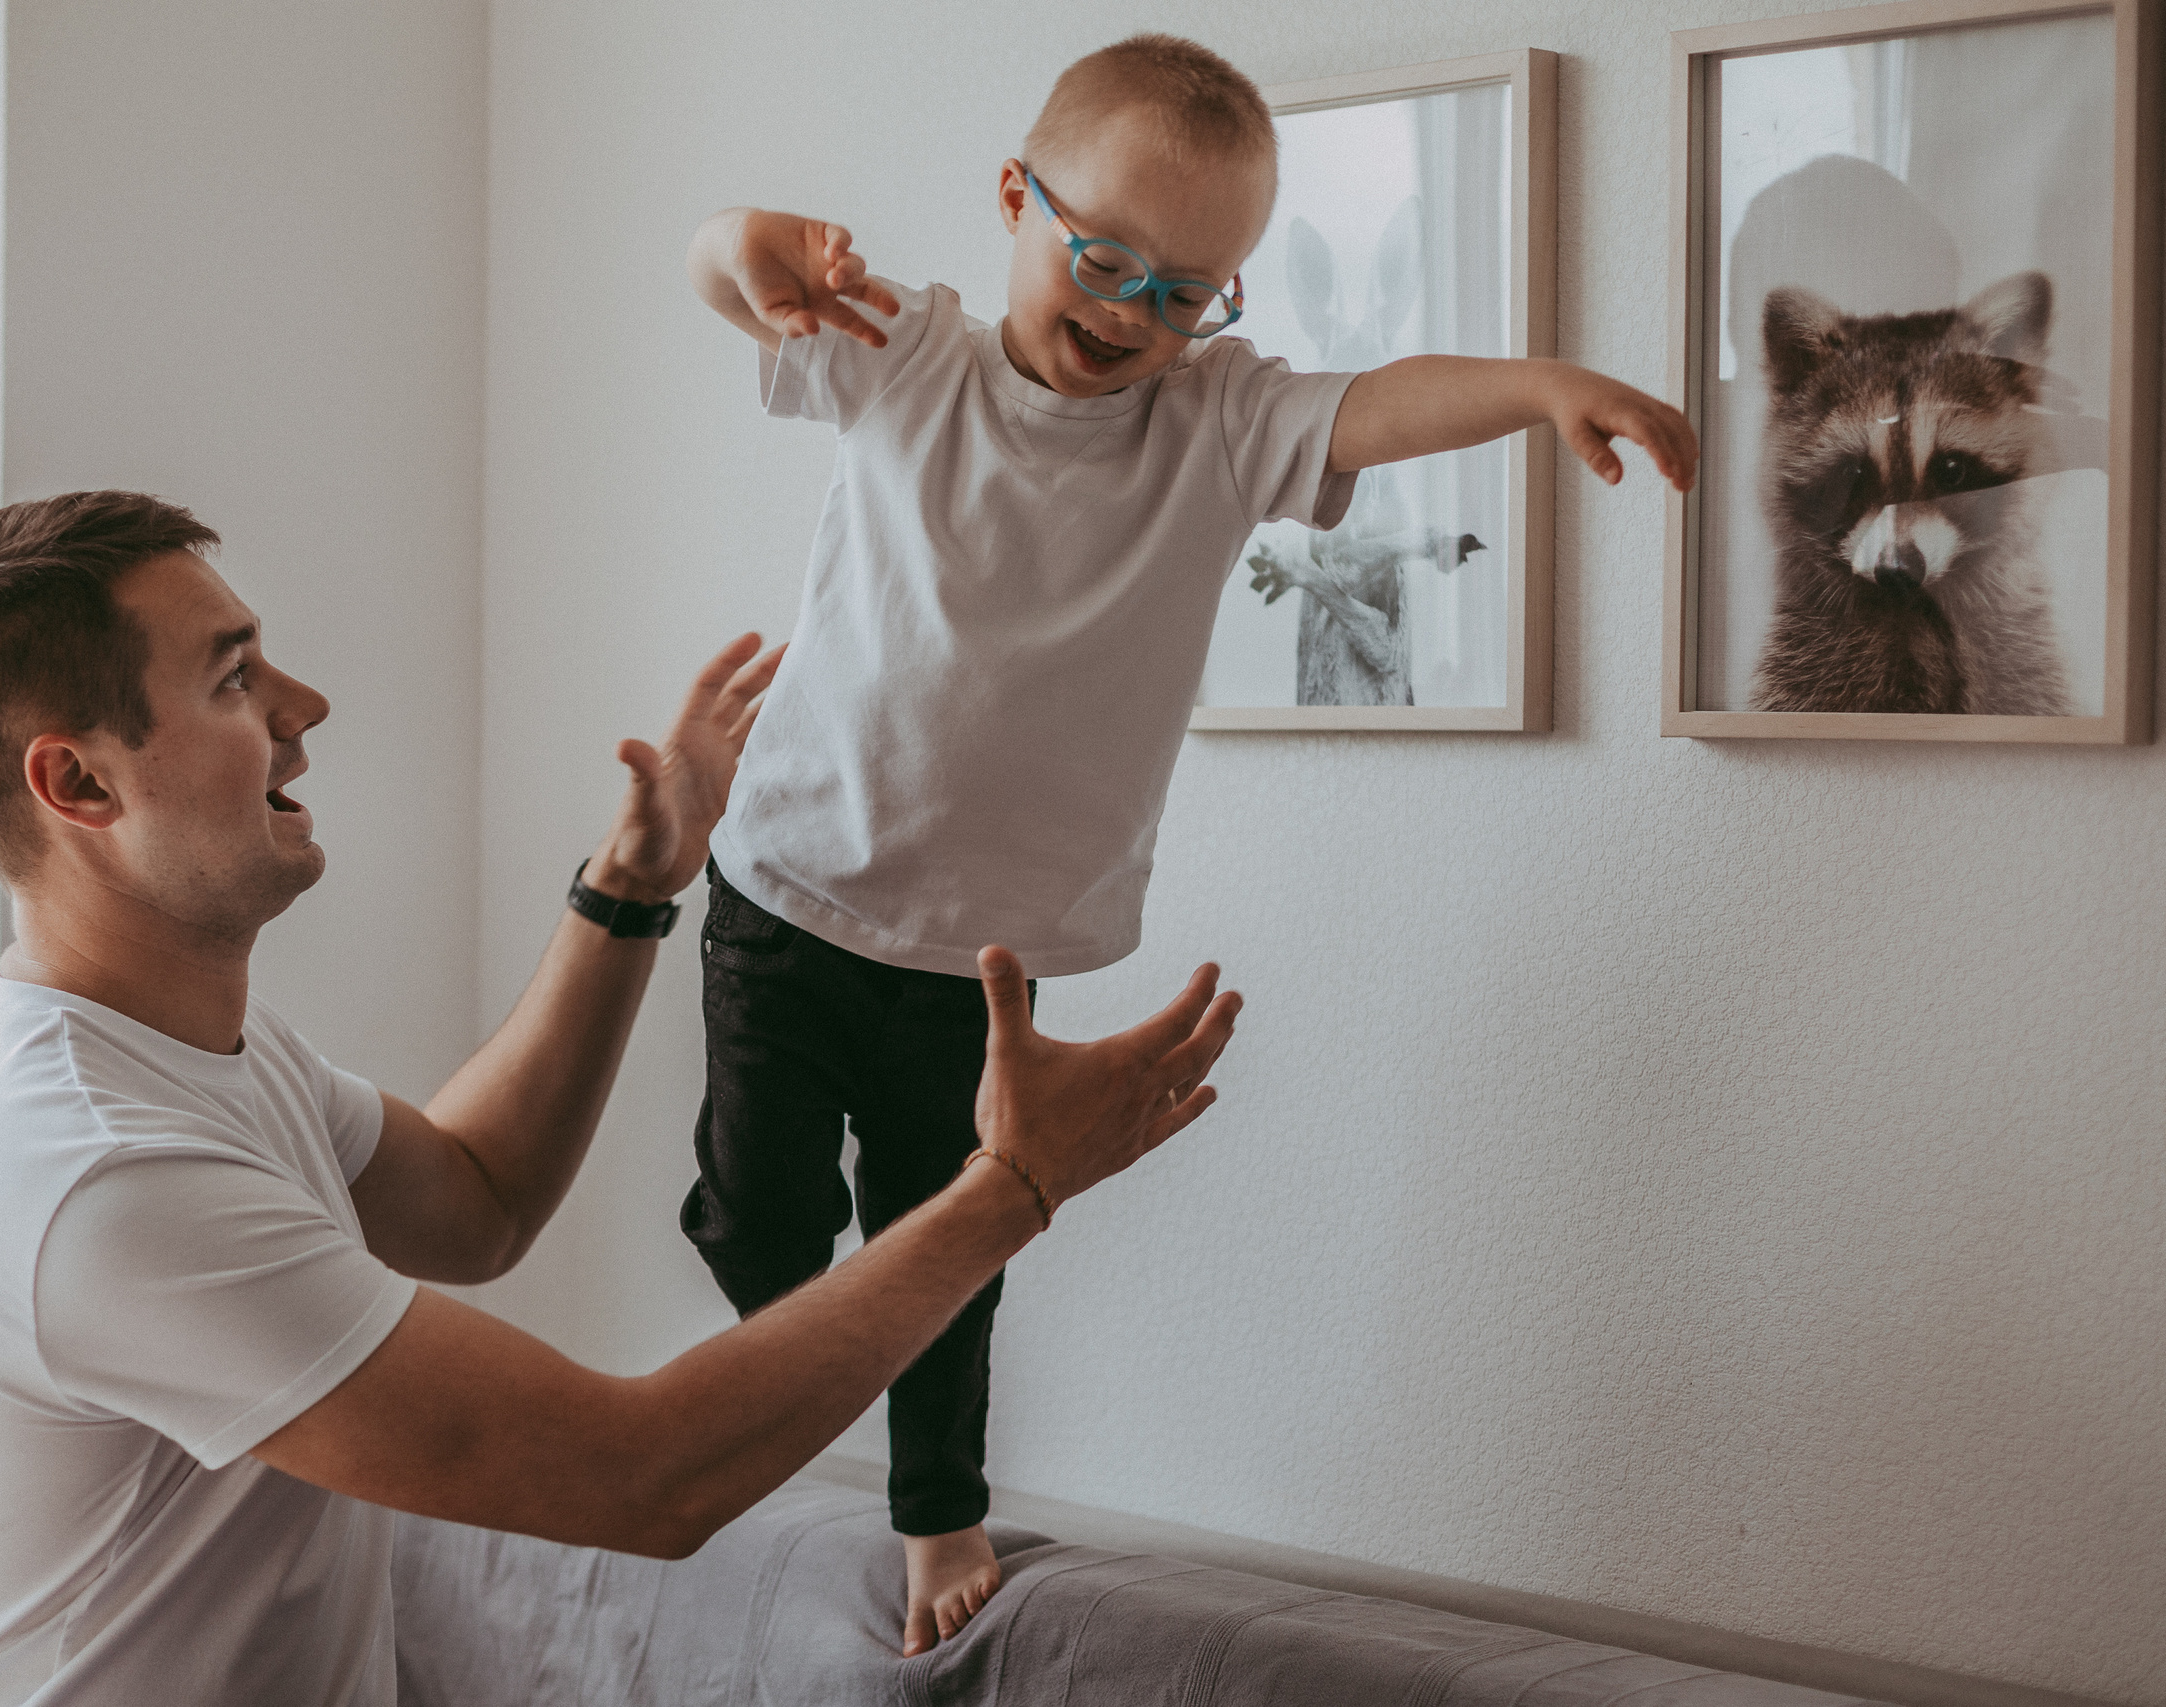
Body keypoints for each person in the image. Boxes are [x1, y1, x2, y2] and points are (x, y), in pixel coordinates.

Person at [0, 490, 1242, 1706]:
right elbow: (640, 1478)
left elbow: (475, 1198)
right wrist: (1009, 1190)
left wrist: (633, 886)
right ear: (79, 782)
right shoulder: (105, 1176)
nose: (305, 708)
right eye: (234, 681)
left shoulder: (191, 1064)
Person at [682, 32, 1698, 1654]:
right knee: (762, 1237)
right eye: (1106, 263)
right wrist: (758, 247)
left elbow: (1374, 406)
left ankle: (937, 1504)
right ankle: (743, 1384)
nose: (1137, 317)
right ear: (1015, 199)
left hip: (983, 956)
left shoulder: (1213, 425)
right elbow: (718, 265)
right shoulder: (910, 355)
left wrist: (1541, 388)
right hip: (791, 889)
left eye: (1189, 293)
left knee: (950, 1244)